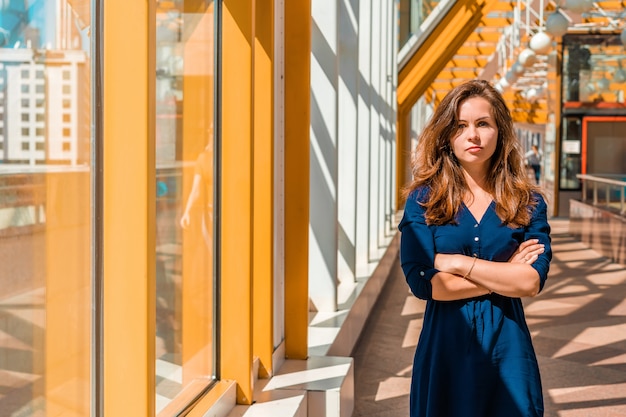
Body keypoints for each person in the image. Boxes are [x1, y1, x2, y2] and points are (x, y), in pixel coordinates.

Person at [398, 80, 552, 417]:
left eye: (483, 123)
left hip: (509, 353)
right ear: (446, 134)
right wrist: (506, 271)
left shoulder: (528, 203)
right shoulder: (422, 202)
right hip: (445, 353)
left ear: (500, 131)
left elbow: (530, 283)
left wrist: (456, 262)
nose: (474, 136)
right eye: (461, 125)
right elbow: (430, 285)